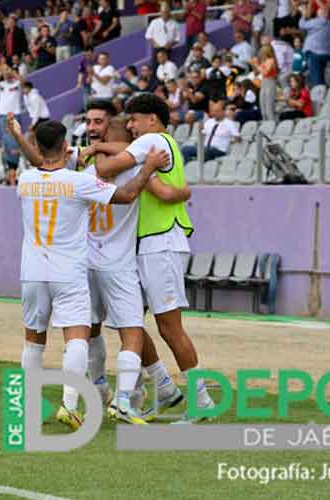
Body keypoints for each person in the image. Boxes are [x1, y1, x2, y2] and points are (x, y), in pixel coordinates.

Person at [15, 119, 165, 430]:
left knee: (33, 340)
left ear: (40, 146)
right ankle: (69, 405)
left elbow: (40, 163)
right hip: (68, 272)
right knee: (77, 338)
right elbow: (124, 196)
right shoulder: (76, 182)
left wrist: (18, 136)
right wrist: (148, 167)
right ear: (65, 144)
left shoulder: (24, 180)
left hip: (31, 272)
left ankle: (28, 406)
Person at [94, 93, 217, 423]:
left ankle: (201, 399)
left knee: (169, 327)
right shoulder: (162, 142)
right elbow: (165, 187)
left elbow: (107, 169)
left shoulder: (151, 140)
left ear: (152, 119)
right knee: (128, 321)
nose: (130, 126)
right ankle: (162, 387)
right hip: (150, 244)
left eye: (134, 119)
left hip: (161, 242)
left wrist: (93, 153)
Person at [0, 63, 23, 185]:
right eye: (5, 71)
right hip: (3, 114)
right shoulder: (2, 85)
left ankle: (14, 170)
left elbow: (23, 81)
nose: (7, 73)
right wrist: (1, 71)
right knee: (6, 139)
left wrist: (13, 72)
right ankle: (9, 171)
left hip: (15, 113)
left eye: (8, 71)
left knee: (16, 138)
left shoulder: (17, 84)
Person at [299, 1, 330, 88]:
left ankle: (319, 98)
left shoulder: (319, 21)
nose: (317, 10)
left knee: (317, 80)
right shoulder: (329, 22)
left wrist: (303, 14)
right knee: (321, 79)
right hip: (325, 53)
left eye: (319, 9)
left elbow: (302, 25)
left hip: (315, 53)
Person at [253, 44, 278, 122]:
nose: (261, 53)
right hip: (263, 83)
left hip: (270, 83)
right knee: (263, 109)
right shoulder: (263, 61)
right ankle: (266, 125)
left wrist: (257, 65)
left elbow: (265, 72)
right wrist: (254, 65)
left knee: (269, 108)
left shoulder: (271, 60)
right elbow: (256, 73)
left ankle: (272, 125)